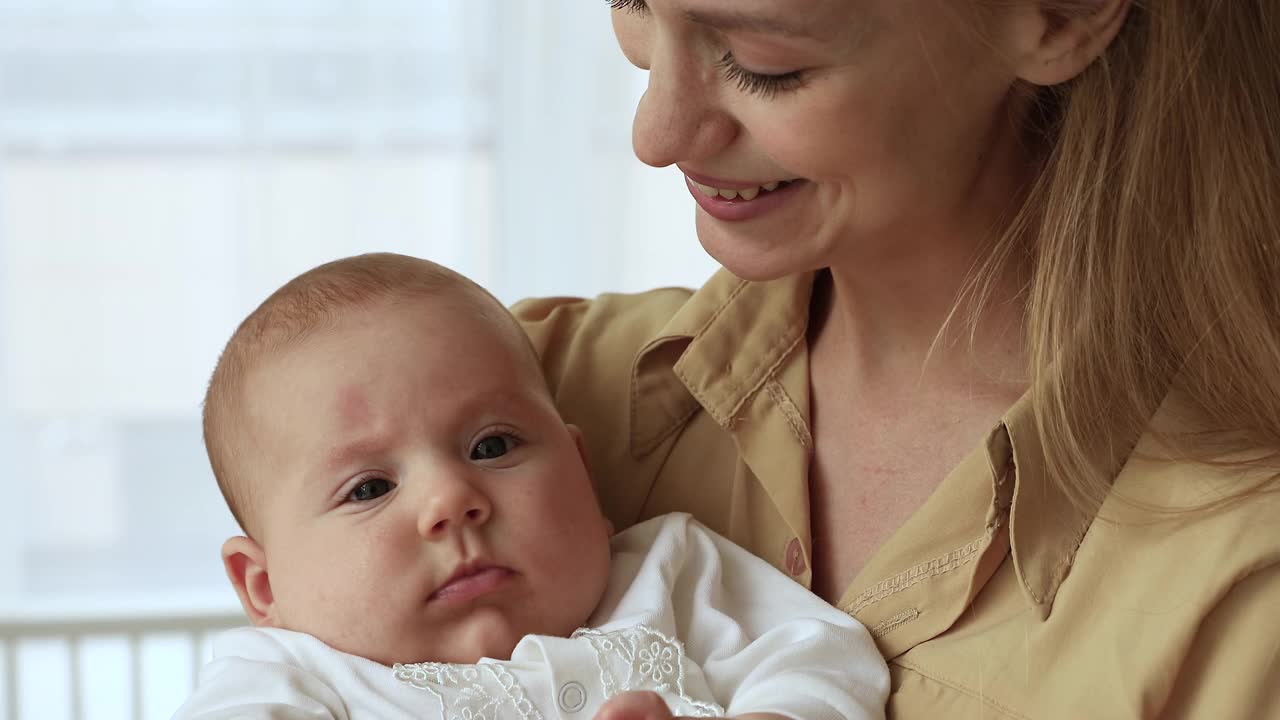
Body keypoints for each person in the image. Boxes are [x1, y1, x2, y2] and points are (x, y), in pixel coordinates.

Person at [513, 1, 1280, 717]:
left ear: (1059, 14)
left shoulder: (1244, 595)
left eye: (762, 60)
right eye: (635, 2)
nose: (655, 135)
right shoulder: (502, 401)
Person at [172, 253, 888, 720]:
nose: (450, 499)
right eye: (369, 488)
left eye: (492, 445)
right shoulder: (289, 682)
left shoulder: (670, 574)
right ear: (263, 586)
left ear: (580, 469)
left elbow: (822, 654)